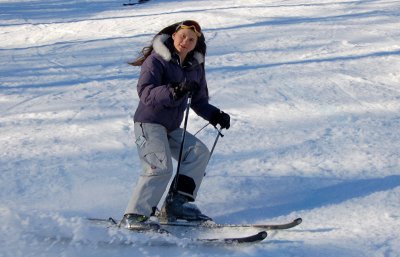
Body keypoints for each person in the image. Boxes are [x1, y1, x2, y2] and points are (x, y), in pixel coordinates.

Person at [121, 20, 231, 230]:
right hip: (149, 124)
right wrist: (173, 91)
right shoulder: (156, 61)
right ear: (173, 36)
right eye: (183, 37)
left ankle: (176, 206)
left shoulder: (194, 67)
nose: (186, 42)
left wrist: (215, 115)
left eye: (191, 39)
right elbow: (145, 92)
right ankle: (135, 215)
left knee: (198, 153)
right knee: (160, 167)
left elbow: (199, 101)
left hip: (170, 128)